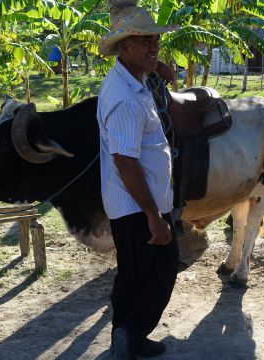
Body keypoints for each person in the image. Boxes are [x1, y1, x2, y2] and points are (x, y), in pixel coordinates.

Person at [96, 3, 180, 359]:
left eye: (154, 40)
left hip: (136, 203)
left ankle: (126, 337)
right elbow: (126, 163)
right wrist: (153, 216)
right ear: (123, 48)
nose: (153, 46)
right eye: (143, 41)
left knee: (135, 275)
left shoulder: (131, 80)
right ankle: (129, 332)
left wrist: (156, 65)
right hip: (137, 206)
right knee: (157, 271)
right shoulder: (125, 99)